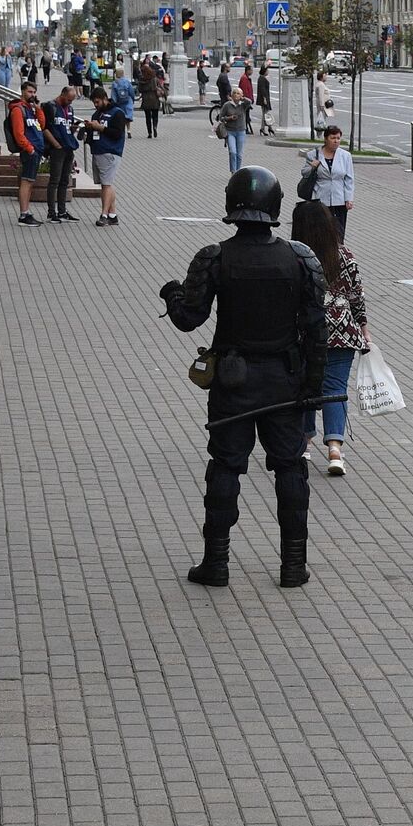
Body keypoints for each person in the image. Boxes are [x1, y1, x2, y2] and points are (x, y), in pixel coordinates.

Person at [162, 166, 327, 588]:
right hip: (285, 381)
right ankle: (293, 564)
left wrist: (172, 293)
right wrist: (312, 388)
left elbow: (188, 319)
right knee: (290, 469)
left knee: (225, 467)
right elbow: (316, 329)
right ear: (274, 207)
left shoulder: (215, 257)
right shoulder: (300, 257)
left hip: (233, 381)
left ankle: (215, 562)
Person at [292, 200, 368, 476]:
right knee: (335, 389)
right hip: (343, 329)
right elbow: (356, 295)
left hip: (306, 329)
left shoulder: (295, 255)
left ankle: (304, 441)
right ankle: (335, 449)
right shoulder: (344, 255)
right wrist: (364, 329)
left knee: (305, 384)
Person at [82, 87, 128, 226]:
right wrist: (88, 129)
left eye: (97, 102)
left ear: (104, 98)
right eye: (94, 102)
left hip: (110, 152)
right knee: (106, 184)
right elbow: (94, 132)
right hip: (98, 151)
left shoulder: (117, 113)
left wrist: (100, 128)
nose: (95, 105)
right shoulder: (97, 114)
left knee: (106, 185)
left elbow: (117, 133)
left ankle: (104, 214)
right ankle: (113, 215)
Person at [6, 81, 48, 227]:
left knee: (30, 182)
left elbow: (41, 126)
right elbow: (19, 133)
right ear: (23, 91)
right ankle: (23, 214)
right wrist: (29, 149)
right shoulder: (18, 110)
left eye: (34, 92)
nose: (33, 95)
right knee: (26, 181)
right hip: (30, 150)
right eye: (30, 92)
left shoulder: (31, 109)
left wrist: (38, 110)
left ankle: (27, 211)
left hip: (36, 149)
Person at [302, 125, 355, 236]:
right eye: (333, 138)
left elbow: (349, 178)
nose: (336, 141)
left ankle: (337, 251)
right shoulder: (313, 154)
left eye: (338, 138)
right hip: (320, 199)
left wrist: (348, 198)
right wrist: (313, 167)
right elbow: (304, 173)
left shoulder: (345, 156)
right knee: (320, 231)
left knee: (338, 232)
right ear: (326, 139)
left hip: (339, 200)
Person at [40, 85, 82, 223]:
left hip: (69, 146)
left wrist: (74, 128)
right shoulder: (50, 107)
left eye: (72, 101)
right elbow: (44, 128)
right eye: (68, 100)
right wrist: (55, 144)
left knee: (65, 180)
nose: (70, 103)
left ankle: (62, 211)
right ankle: (51, 212)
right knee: (55, 180)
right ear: (62, 95)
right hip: (57, 147)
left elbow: (68, 126)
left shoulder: (69, 109)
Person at [217, 88, 250, 174]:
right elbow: (220, 118)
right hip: (230, 131)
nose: (236, 95)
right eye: (234, 93)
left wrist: (244, 98)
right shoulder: (227, 105)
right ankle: (233, 171)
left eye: (238, 93)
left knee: (239, 154)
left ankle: (238, 171)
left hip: (241, 132)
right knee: (232, 152)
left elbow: (249, 102)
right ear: (231, 95)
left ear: (241, 95)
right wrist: (229, 118)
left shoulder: (242, 105)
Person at [139, 62, 163, 138]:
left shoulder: (141, 80)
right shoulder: (154, 79)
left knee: (148, 117)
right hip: (154, 99)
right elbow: (160, 87)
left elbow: (139, 90)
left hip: (146, 100)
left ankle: (149, 133)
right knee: (155, 115)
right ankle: (155, 126)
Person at [312, 71, 334, 136]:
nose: (326, 77)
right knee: (321, 120)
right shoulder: (321, 85)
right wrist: (322, 105)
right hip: (323, 105)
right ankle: (320, 134)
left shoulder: (320, 84)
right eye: (325, 76)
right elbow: (321, 95)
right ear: (321, 77)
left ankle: (320, 134)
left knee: (322, 119)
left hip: (323, 104)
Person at [237, 64, 256, 135]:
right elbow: (245, 91)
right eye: (251, 70)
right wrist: (248, 100)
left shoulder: (246, 77)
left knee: (246, 115)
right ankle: (245, 128)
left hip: (247, 99)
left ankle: (246, 128)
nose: (252, 72)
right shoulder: (244, 78)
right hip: (246, 100)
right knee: (245, 115)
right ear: (248, 70)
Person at [256, 65, 273, 135]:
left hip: (265, 98)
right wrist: (265, 99)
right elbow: (263, 89)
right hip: (264, 98)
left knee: (266, 114)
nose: (268, 72)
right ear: (264, 71)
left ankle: (268, 128)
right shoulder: (262, 79)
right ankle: (264, 128)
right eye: (267, 70)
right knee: (265, 114)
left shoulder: (261, 78)